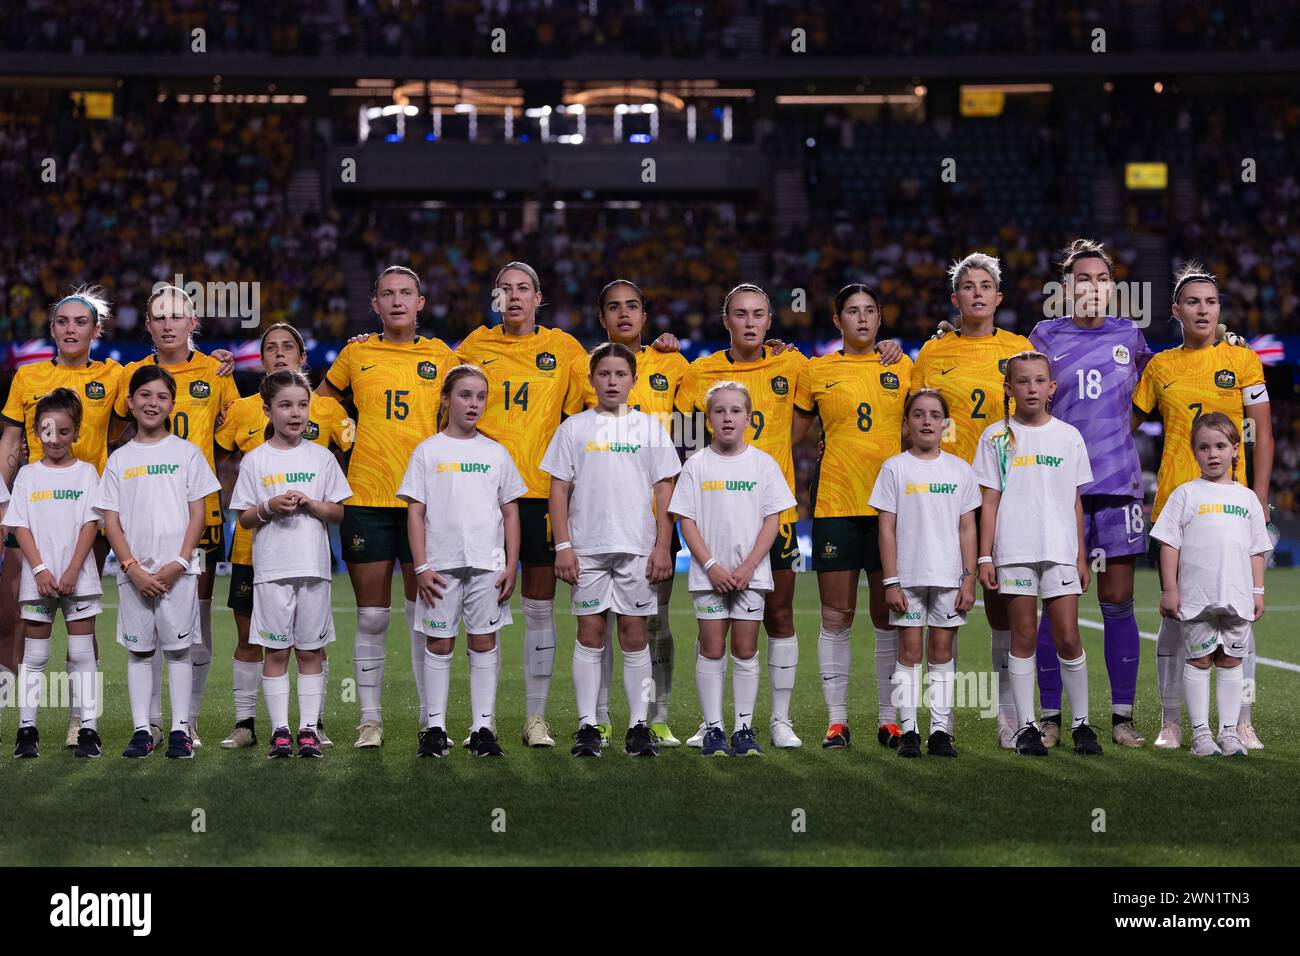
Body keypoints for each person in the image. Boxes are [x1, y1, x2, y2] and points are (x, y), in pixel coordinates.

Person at [317, 265, 460, 748]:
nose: (397, 301)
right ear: (374, 305)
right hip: (367, 496)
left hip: (427, 499)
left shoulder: (442, 356)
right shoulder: (356, 352)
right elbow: (321, 401)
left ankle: (429, 717)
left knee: (426, 615)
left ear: (421, 303)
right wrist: (343, 428)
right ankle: (370, 720)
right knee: (372, 616)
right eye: (386, 294)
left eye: (406, 293)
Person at [1132, 262, 1273, 750]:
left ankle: (1242, 721)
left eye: (1211, 301)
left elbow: (1263, 433)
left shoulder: (1244, 360)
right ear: (1176, 311)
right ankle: (1173, 723)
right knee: (1175, 622)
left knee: (1240, 620)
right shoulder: (1159, 367)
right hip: (1177, 506)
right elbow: (1124, 426)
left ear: (1220, 309)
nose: (1203, 309)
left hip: (1233, 510)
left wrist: (1261, 496)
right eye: (1192, 302)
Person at [455, 262, 589, 748]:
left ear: (538, 298)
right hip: (477, 496)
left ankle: (535, 719)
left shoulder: (565, 348)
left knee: (537, 609)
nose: (513, 297)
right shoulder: (473, 347)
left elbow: (593, 410)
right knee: (476, 610)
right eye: (504, 289)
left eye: (523, 289)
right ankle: (480, 721)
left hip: (538, 494)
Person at [1028, 240, 1153, 747]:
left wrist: (1114, 438)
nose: (1093, 286)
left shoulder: (1131, 336)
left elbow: (1151, 392)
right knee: (1056, 601)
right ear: (1066, 287)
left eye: (1101, 278)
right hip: (1059, 488)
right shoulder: (1044, 335)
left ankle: (1122, 718)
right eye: (1083, 278)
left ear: (1113, 287)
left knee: (1118, 600)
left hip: (1118, 485)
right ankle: (1053, 717)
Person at [675, 284, 808, 748]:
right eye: (740, 314)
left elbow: (807, 421)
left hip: (774, 513)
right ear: (725, 320)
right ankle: (711, 721)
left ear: (770, 322)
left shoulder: (792, 364)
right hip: (718, 514)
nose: (750, 322)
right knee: (712, 630)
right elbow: (686, 437)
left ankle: (779, 720)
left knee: (781, 614)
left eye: (758, 315)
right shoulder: (699, 372)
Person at [912, 253, 1033, 748]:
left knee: (1003, 606)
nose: (978, 293)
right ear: (955, 297)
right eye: (968, 286)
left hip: (1007, 492)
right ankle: (944, 719)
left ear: (998, 297)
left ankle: (1009, 716)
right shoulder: (933, 353)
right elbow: (917, 417)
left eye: (986, 286)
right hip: (950, 494)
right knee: (949, 603)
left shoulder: (1020, 347)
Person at [215, 322, 354, 749]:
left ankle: (314, 723)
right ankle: (246, 724)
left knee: (309, 642)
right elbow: (224, 465)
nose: (278, 353)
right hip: (254, 548)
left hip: (307, 552)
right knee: (251, 637)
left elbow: (348, 463)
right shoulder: (240, 410)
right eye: (270, 347)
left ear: (302, 355)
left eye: (287, 346)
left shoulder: (327, 411)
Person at [114, 285, 240, 748]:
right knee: (144, 624)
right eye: (159, 317)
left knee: (195, 620)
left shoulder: (217, 371)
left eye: (177, 316)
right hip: (143, 516)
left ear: (193, 323)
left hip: (198, 517)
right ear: (147, 325)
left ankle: (187, 724)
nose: (168, 324)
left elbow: (232, 436)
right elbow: (104, 424)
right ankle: (147, 725)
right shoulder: (131, 374)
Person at [542, 343, 681, 757]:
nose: (612, 381)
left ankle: (638, 725)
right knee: (590, 633)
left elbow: (664, 490)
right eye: (604, 374)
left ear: (634, 381)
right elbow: (558, 488)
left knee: (635, 635)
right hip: (586, 548)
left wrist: (662, 546)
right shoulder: (574, 428)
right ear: (591, 379)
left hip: (637, 548)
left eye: (620, 374)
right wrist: (563, 545)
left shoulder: (650, 428)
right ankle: (588, 725)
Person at [0, 287, 124, 748]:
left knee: (78, 611)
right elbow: (11, 444)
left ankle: (79, 721)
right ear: (52, 329)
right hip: (34, 510)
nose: (71, 329)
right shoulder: (27, 377)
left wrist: (216, 363)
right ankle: (24, 721)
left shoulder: (114, 375)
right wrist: (1, 504)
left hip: (87, 510)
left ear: (96, 329)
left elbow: (162, 385)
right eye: (63, 322)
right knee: (21, 612)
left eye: (80, 322)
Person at [794, 283, 912, 750]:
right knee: (836, 616)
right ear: (837, 320)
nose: (862, 319)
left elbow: (925, 420)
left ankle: (889, 719)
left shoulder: (902, 365)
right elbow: (797, 433)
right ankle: (837, 720)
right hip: (835, 504)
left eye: (869, 311)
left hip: (892, 508)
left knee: (889, 616)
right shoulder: (816, 369)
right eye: (852, 312)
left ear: (880, 319)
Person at [973, 351, 1101, 757]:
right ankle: (1027, 727)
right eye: (1022, 381)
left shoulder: (1068, 436)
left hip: (1060, 550)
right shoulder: (995, 436)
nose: (1031, 388)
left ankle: (1081, 725)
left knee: (1068, 637)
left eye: (1039, 381)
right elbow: (989, 501)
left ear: (1052, 388)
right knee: (1023, 636)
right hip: (1014, 550)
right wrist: (984, 556)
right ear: (1009, 388)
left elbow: (1077, 501)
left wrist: (1081, 556)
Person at [397, 364, 526, 758]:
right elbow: (415, 512)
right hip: (439, 566)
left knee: (484, 641)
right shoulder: (428, 450)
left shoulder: (496, 452)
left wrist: (510, 565)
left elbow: (510, 513)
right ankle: (434, 728)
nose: (473, 404)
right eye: (464, 395)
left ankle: (482, 728)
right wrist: (420, 566)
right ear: (446, 399)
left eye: (480, 397)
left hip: (487, 565)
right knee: (439, 643)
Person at [582, 279, 690, 746]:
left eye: (632, 307)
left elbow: (692, 439)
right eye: (613, 308)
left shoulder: (674, 364)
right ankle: (601, 717)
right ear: (601, 317)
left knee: (654, 620)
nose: (623, 314)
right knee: (600, 621)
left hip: (657, 517)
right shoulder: (582, 368)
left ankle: (656, 715)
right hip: (600, 519)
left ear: (646, 316)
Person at [95, 367, 220, 759]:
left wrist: (180, 562)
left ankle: (181, 730)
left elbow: (197, 513)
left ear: (171, 403)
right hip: (134, 575)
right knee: (140, 652)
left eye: (161, 397)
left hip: (178, 573)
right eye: (144, 396)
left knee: (179, 650)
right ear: (130, 402)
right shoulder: (119, 459)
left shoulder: (187, 453)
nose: (152, 403)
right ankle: (142, 730)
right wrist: (131, 566)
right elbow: (110, 519)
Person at [669, 381, 795, 757]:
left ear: (749, 418)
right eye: (720, 411)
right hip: (709, 576)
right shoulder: (696, 465)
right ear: (709, 420)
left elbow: (772, 520)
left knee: (745, 649)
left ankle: (743, 728)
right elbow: (685, 520)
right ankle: (713, 730)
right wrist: (711, 566)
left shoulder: (763, 464)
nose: (727, 417)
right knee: (711, 648)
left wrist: (748, 566)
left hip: (750, 576)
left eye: (735, 411)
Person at [1150, 413, 1270, 757]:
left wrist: (1257, 591)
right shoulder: (1184, 495)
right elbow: (1169, 544)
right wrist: (1170, 589)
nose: (1212, 453)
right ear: (1194, 452)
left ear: (1235, 450)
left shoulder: (1246, 498)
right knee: (1200, 661)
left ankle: (1229, 732)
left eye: (1220, 446)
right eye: (1204, 447)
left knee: (1232, 661)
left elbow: (1256, 550)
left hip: (1236, 597)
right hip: (1197, 596)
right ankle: (1201, 735)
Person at [870, 388, 979, 758]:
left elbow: (968, 528)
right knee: (910, 651)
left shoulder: (960, 469)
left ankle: (939, 731)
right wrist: (890, 580)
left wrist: (968, 577)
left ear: (945, 424)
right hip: (908, 577)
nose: (927, 421)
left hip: (949, 577)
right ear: (906, 423)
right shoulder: (894, 468)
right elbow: (886, 528)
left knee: (942, 650)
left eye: (934, 415)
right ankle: (909, 730)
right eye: (918, 415)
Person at [8, 389, 102, 759]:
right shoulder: (28, 476)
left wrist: (74, 569)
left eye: (64, 431)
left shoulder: (87, 474)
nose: (56, 439)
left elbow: (90, 524)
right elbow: (21, 527)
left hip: (79, 579)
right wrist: (42, 570)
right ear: (35, 431)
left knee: (82, 654)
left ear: (76, 431)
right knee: (35, 655)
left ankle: (88, 729)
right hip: (40, 581)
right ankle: (26, 730)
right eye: (48, 431)